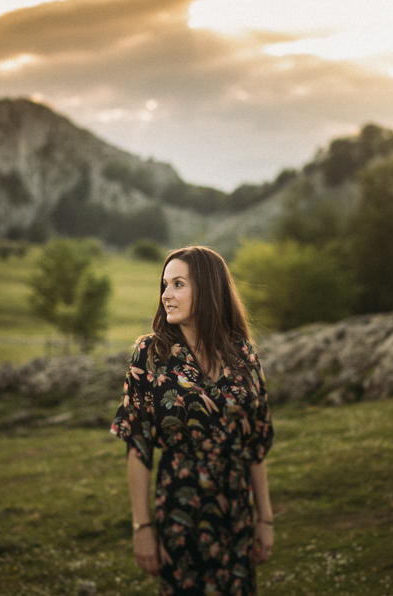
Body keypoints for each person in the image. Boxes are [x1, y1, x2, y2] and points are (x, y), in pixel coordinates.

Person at [111, 246, 274, 595]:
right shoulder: (150, 355)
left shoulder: (242, 352)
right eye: (164, 285)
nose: (166, 295)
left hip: (236, 512)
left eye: (178, 284)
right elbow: (137, 445)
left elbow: (255, 444)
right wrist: (142, 526)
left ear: (208, 289)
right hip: (179, 511)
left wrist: (265, 517)